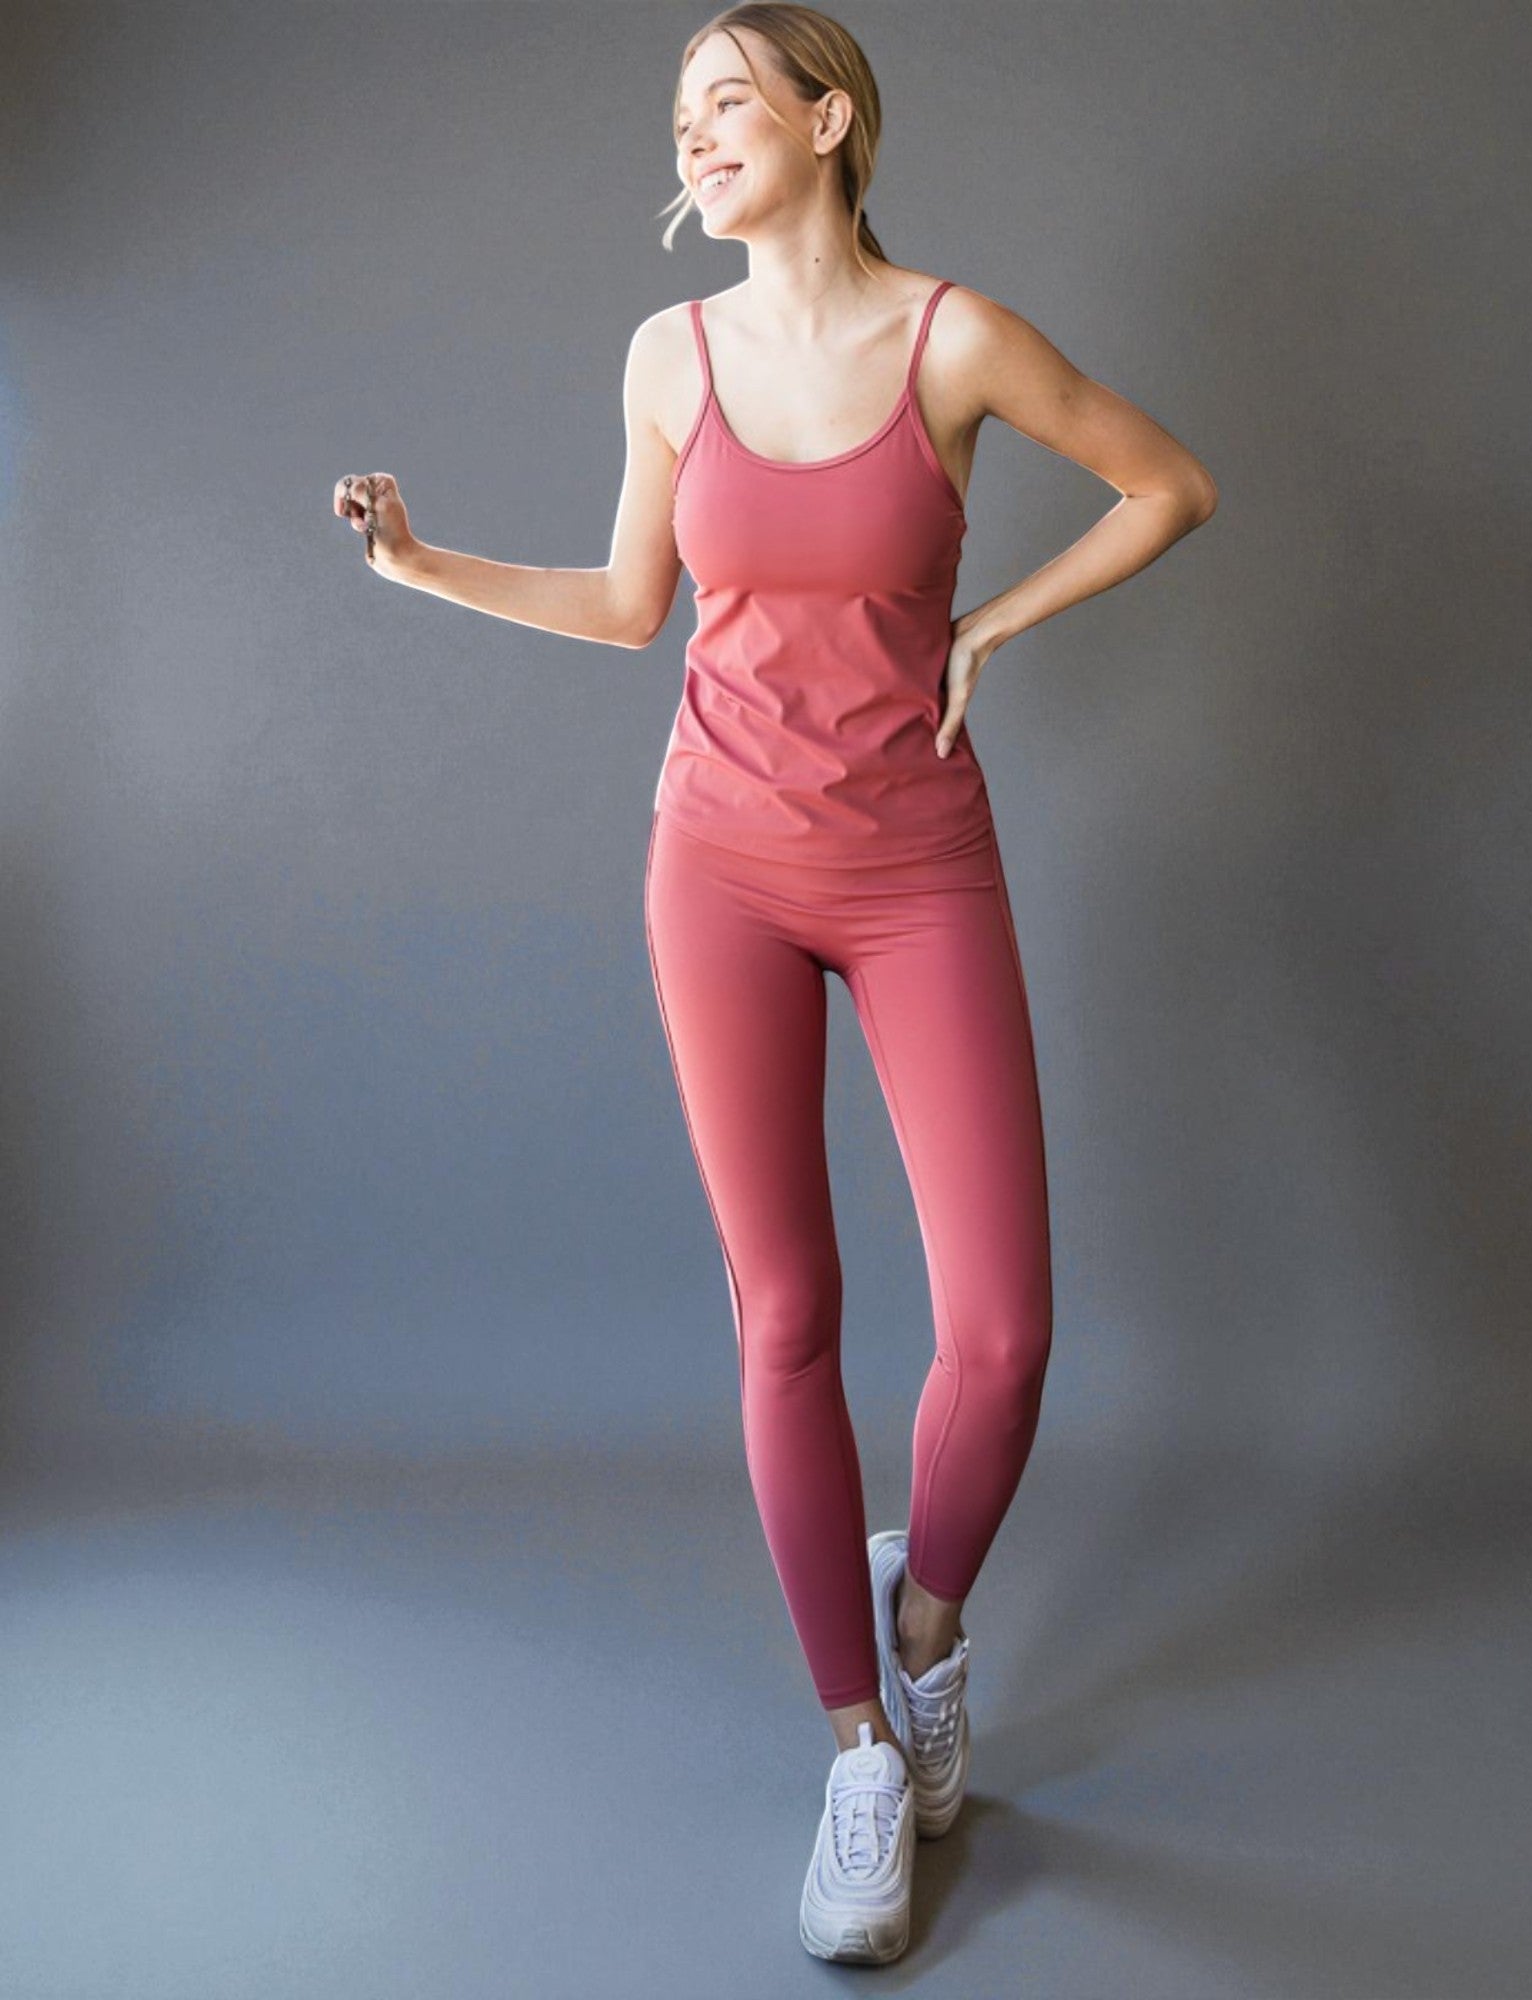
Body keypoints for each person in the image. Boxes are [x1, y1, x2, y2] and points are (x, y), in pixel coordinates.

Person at [334, 1, 1217, 1965]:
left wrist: (995, 616)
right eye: (677, 113)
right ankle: (850, 1751)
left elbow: (1169, 484)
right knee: (789, 1313)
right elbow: (633, 605)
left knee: (997, 1333)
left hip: (916, 860)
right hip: (714, 862)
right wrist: (418, 566)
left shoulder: (952, 340)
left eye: (727, 95)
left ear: (830, 121)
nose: (694, 131)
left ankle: (919, 1643)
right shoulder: (668, 354)